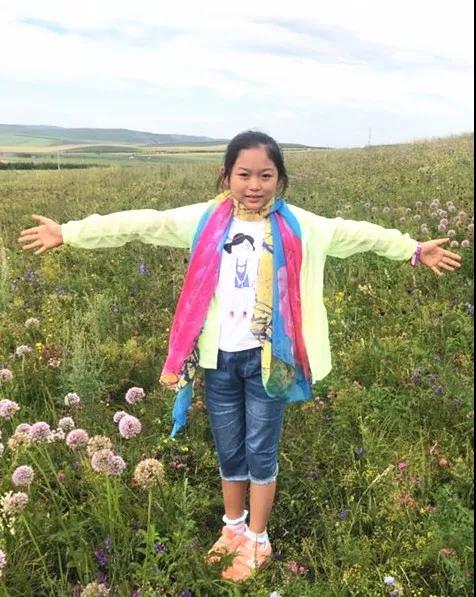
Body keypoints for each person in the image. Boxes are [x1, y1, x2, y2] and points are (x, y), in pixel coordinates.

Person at [18, 130, 462, 582]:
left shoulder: (301, 226)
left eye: (265, 175)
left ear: (279, 179)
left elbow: (357, 233)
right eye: (244, 174)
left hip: (270, 361)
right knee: (229, 448)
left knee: (260, 450)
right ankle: (232, 528)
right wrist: (69, 233)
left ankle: (258, 538)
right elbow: (143, 223)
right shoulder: (205, 220)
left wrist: (412, 249)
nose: (254, 185)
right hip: (219, 360)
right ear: (226, 175)